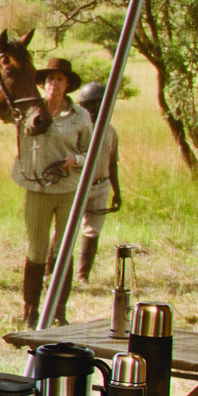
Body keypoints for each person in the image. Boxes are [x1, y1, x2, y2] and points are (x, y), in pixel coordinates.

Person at [13, 57, 94, 326]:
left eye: (59, 79)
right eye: (49, 79)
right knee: (36, 249)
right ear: (43, 84)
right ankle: (30, 311)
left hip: (68, 188)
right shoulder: (29, 111)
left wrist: (76, 161)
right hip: (37, 189)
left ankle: (59, 310)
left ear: (67, 84)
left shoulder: (81, 116)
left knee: (63, 249)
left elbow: (90, 152)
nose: (53, 84)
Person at [72, 79, 122, 284]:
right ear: (82, 106)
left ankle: (83, 275)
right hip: (76, 186)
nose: (95, 108)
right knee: (65, 231)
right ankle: (52, 272)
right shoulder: (76, 129)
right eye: (90, 104)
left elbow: (113, 164)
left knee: (92, 231)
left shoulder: (110, 131)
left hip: (101, 186)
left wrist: (117, 191)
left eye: (100, 103)